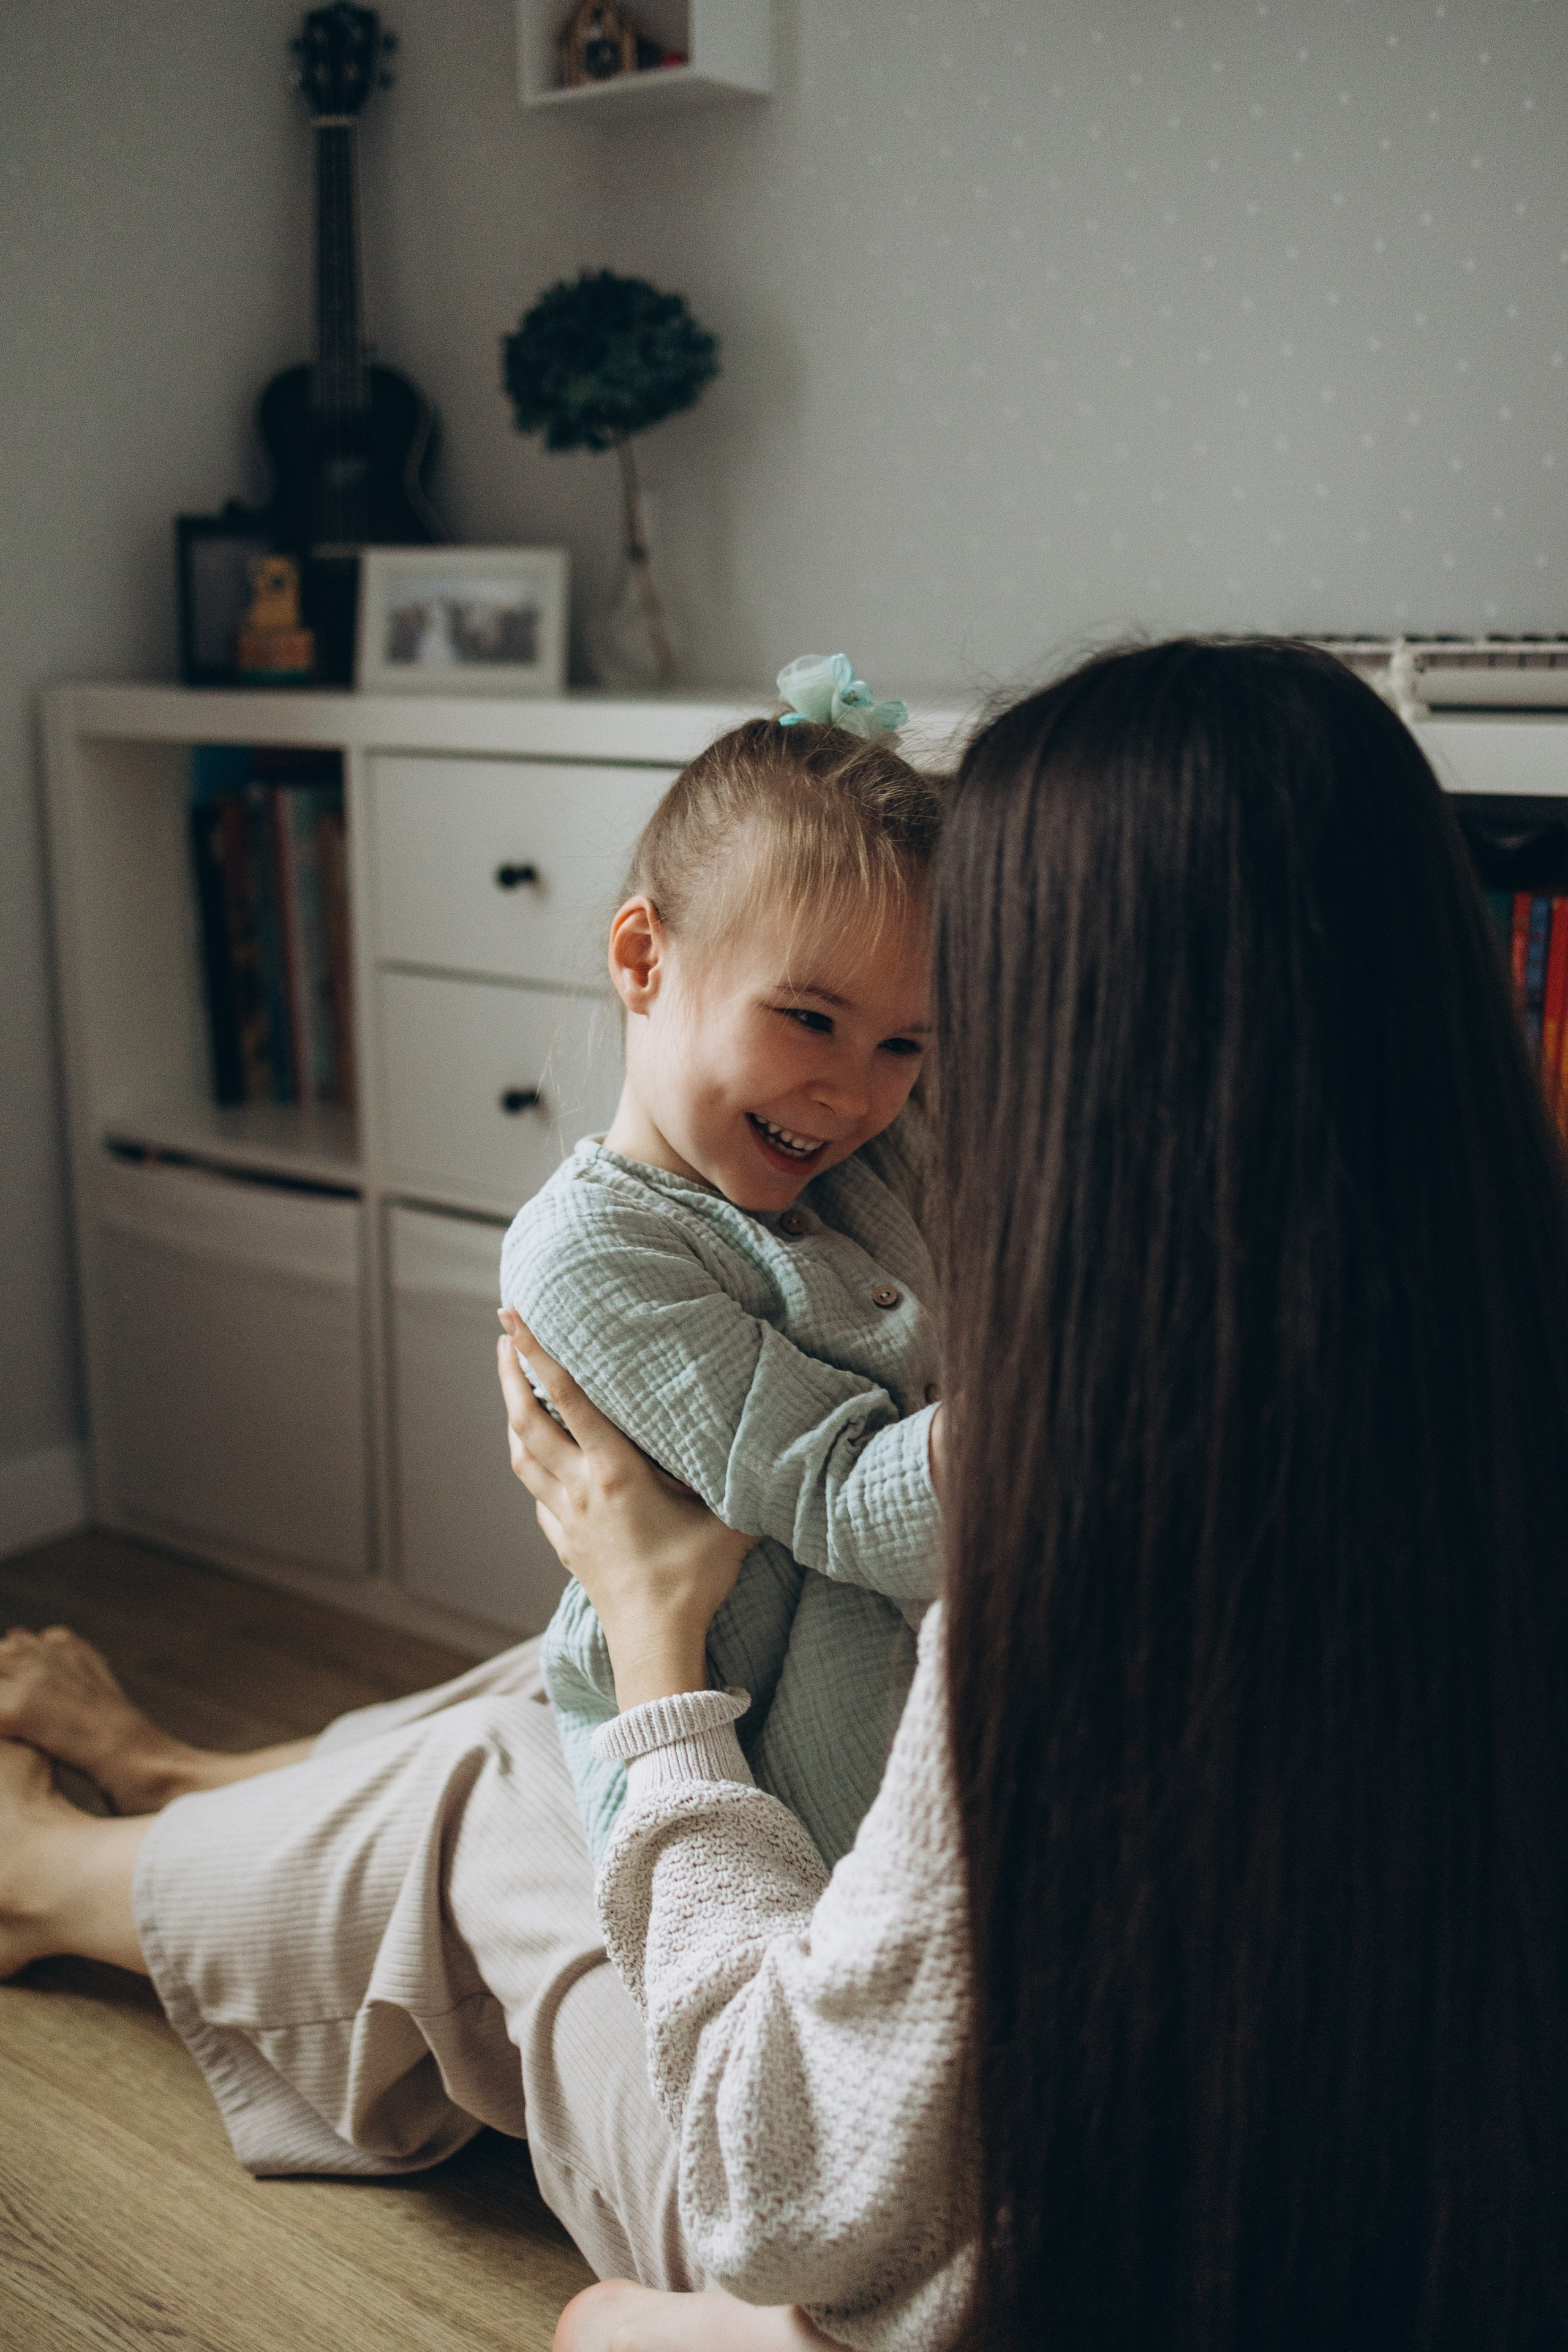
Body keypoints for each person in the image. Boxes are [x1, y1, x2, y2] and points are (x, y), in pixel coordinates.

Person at [3, 638, 1567, 2351]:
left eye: (935, 1034)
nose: (878, 1089)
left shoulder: (1096, 1519)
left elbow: (801, 2191)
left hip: (921, 2213)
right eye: (824, 1021)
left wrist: (660, 1640)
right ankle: (193, 1778)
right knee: (544, 1677)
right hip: (1178, 2130)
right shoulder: (1465, 1387)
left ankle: (55, 1877)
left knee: (508, 1768)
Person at [504, 656, 946, 1874]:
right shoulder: (591, 1248)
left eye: (901, 1044)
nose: (851, 1091)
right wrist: (1069, 1400)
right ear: (643, 960)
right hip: (747, 1783)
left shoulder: (855, 1164)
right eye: (808, 1019)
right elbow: (848, 1496)